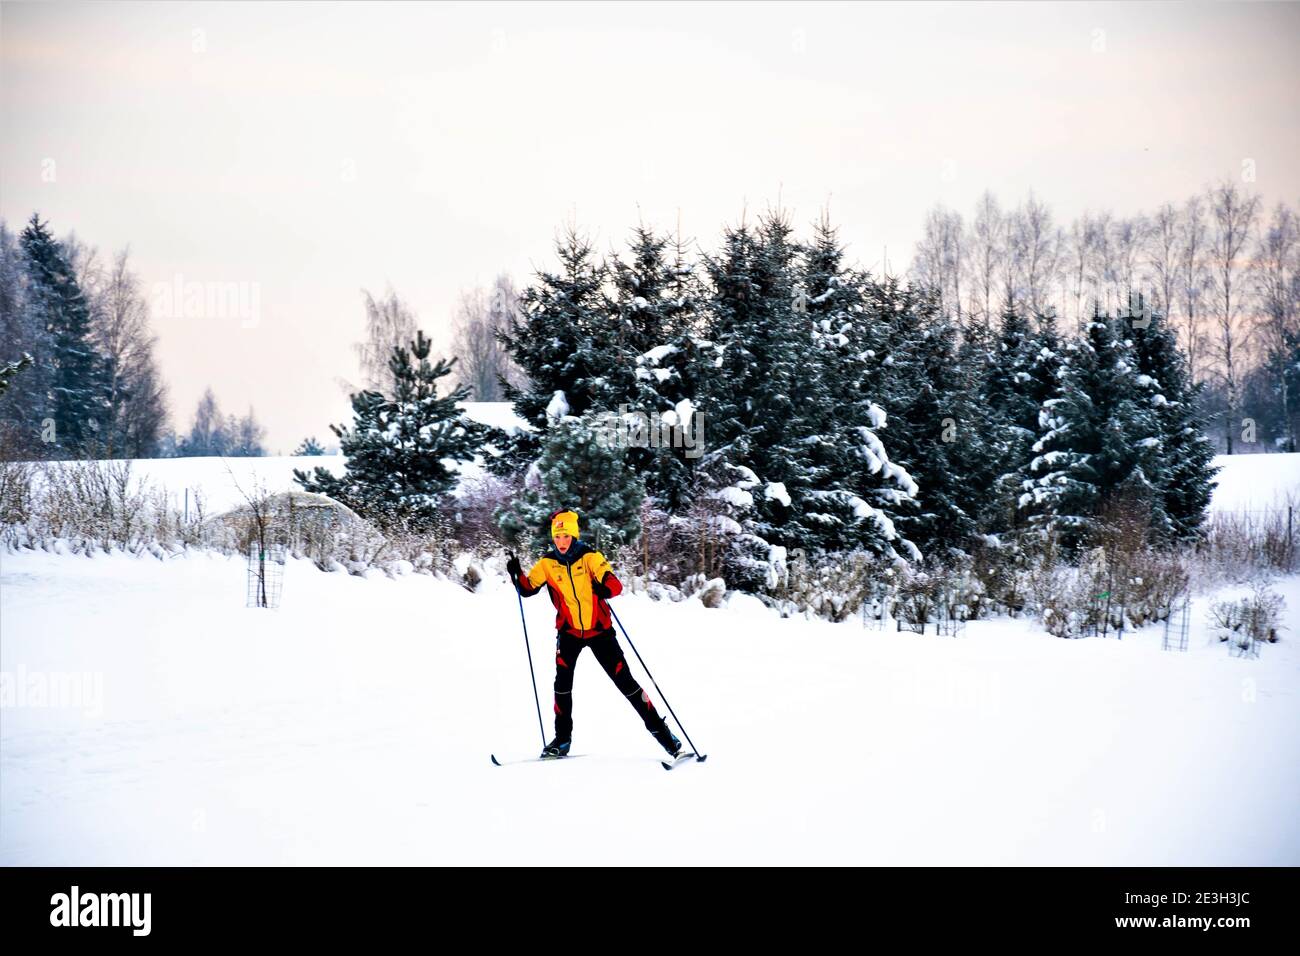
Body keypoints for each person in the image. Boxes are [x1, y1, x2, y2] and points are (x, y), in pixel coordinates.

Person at [506, 508, 682, 759]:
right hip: (568, 633)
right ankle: (562, 740)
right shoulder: (547, 563)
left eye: (566, 536)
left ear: (574, 536)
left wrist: (604, 589)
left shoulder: (590, 557)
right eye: (557, 537)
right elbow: (527, 589)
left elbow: (615, 585)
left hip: (600, 632)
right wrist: (516, 573)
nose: (562, 542)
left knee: (627, 684)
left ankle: (666, 737)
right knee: (562, 687)